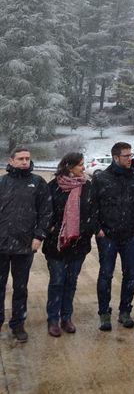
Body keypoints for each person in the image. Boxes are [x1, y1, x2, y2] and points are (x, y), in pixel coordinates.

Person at [0, 146, 52, 343]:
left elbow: (46, 212)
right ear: (11, 160)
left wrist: (39, 236)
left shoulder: (37, 183)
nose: (24, 162)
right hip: (1, 245)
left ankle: (18, 323)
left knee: (21, 288)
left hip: (25, 245)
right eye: (20, 158)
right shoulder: (2, 182)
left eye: (27, 158)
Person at [92, 141, 134, 331]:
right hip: (108, 236)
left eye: (131, 155)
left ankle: (125, 311)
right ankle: (104, 313)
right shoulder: (101, 178)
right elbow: (92, 206)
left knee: (131, 274)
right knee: (105, 274)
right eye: (126, 156)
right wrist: (97, 229)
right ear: (115, 157)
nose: (130, 158)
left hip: (130, 236)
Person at [42, 152, 95, 336]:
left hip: (78, 244)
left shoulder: (88, 186)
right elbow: (45, 212)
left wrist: (85, 230)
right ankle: (53, 320)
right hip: (55, 244)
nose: (84, 168)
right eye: (80, 165)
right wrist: (54, 230)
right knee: (57, 281)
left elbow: (93, 211)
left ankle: (66, 318)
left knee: (71, 282)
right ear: (69, 167)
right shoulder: (53, 187)